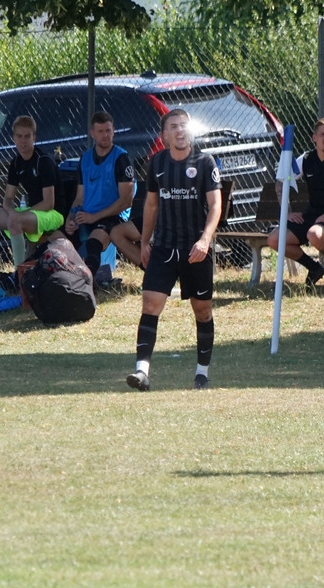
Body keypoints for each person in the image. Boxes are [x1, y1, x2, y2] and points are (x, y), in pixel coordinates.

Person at [126, 109, 222, 392]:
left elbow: (215, 205)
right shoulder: (156, 162)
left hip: (195, 249)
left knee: (202, 311)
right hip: (164, 247)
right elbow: (151, 205)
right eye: (174, 127)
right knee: (150, 304)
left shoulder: (204, 162)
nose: (180, 131)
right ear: (164, 135)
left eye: (184, 126)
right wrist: (145, 241)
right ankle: (142, 372)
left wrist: (205, 240)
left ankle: (201, 373)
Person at [267, 117, 324, 294]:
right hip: (312, 215)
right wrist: (288, 213)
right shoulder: (306, 159)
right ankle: (314, 268)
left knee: (314, 235)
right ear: (314, 138)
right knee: (275, 240)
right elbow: (281, 183)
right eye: (322, 134)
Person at [0, 115, 64, 266]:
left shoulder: (43, 161)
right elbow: (8, 199)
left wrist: (19, 215)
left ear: (34, 138)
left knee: (14, 220)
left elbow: (49, 203)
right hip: (29, 213)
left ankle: (19, 274)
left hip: (53, 214)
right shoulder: (16, 162)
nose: (23, 141)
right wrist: (11, 211)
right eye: (19, 136)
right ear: (13, 138)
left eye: (27, 136)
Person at [64, 111, 142, 280]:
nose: (105, 135)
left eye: (108, 130)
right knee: (58, 240)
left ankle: (86, 282)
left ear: (114, 130)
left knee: (94, 243)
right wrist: (71, 218)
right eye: (101, 131)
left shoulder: (121, 158)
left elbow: (126, 201)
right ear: (92, 133)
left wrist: (94, 217)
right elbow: (79, 198)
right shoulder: (85, 159)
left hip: (112, 217)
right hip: (87, 216)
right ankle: (20, 277)